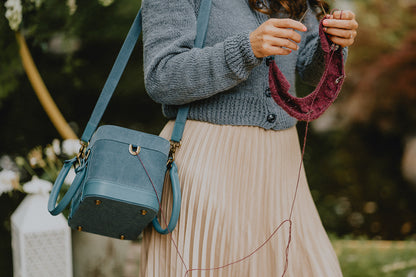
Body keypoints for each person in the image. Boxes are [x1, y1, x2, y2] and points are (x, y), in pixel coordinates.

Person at [140, 0, 358, 276]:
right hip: (207, 165)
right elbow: (162, 76)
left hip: (282, 163)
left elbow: (309, 69)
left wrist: (332, 43)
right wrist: (248, 48)